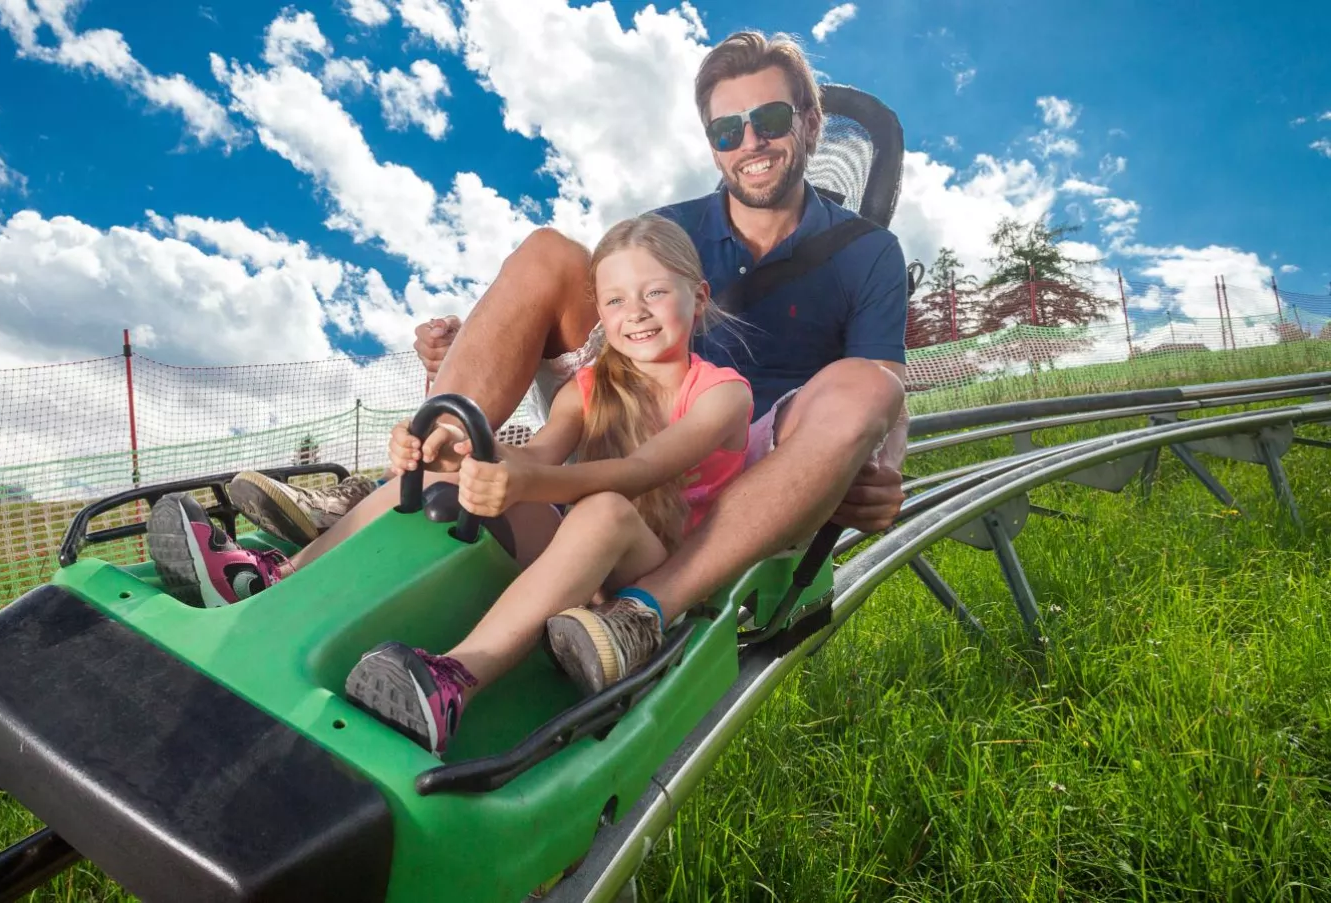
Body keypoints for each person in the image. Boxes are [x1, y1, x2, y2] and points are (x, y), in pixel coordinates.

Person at [221, 29, 909, 692]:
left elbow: (887, 394)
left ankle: (644, 610)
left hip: (752, 450)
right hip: (636, 405)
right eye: (728, 131)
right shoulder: (674, 228)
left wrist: (884, 465)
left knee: (863, 386)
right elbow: (616, 335)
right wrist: (469, 346)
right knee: (551, 251)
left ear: (812, 123)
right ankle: (417, 466)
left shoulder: (866, 250)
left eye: (771, 118)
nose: (750, 143)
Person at [148, 214, 754, 755]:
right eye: (617, 300)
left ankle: (453, 681)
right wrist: (444, 453)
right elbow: (539, 454)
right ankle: (270, 577)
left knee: (604, 509)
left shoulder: (721, 394)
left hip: (647, 576)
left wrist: (529, 478)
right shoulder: (587, 388)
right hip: (580, 559)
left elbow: (643, 471)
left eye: (654, 293)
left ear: (697, 298)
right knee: (452, 469)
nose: (636, 312)